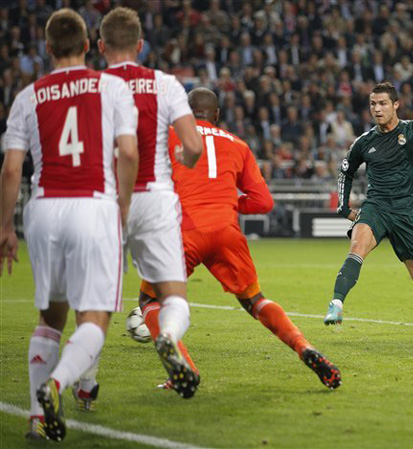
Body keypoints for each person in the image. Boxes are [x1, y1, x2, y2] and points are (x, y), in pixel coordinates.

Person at [139, 87, 341, 391]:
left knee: (150, 299)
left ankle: (182, 367)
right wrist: (230, 204)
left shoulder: (167, 137)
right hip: (226, 230)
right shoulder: (238, 144)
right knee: (255, 301)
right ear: (217, 115)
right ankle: (304, 347)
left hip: (184, 230)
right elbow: (264, 203)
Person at [0, 9, 138, 441]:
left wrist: (6, 227)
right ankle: (57, 386)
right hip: (92, 206)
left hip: (43, 210)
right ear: (86, 46)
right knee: (94, 319)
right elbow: (129, 153)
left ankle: (38, 419)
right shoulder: (110, 86)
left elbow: (10, 169)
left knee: (50, 318)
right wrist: (123, 205)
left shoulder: (28, 96)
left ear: (46, 48)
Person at [77, 7, 202, 403]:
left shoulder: (92, 85)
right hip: (157, 198)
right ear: (141, 45)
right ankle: (166, 336)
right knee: (173, 296)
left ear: (99, 46)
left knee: (95, 301)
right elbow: (194, 147)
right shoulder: (165, 84)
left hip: (106, 200)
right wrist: (182, 158)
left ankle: (86, 386)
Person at [324, 81, 413, 336]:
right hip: (376, 208)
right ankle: (336, 303)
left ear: (395, 105)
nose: (377, 109)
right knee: (357, 247)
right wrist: (344, 208)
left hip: (408, 213)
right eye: (373, 104)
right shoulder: (364, 142)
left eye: (383, 103)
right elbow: (346, 171)